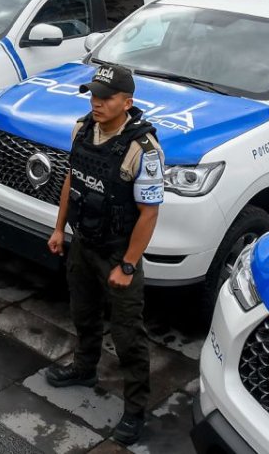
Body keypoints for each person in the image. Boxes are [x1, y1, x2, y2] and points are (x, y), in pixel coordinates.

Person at [45, 64, 164, 446]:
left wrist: (128, 265)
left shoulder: (142, 150)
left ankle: (135, 410)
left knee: (128, 336)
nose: (96, 103)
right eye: (93, 95)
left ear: (127, 102)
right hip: (83, 243)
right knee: (83, 314)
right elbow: (71, 180)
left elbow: (149, 213)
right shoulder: (82, 129)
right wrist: (59, 228)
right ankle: (84, 369)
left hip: (117, 254)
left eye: (106, 97)